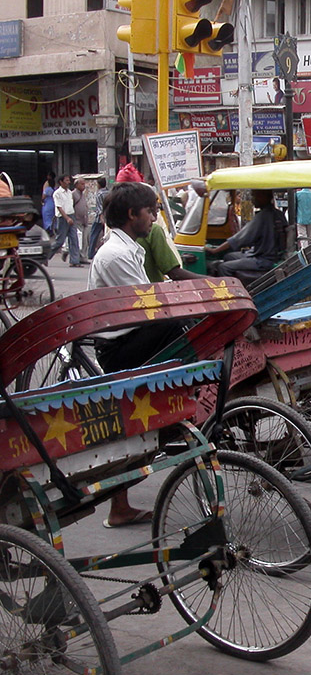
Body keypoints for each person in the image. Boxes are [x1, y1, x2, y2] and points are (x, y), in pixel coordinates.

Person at [89, 182, 183, 527]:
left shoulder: (129, 248)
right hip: (118, 348)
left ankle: (121, 507)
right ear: (133, 215)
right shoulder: (116, 254)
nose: (155, 218)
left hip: (132, 337)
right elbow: (151, 307)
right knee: (183, 327)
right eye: (151, 211)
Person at [205, 188, 287, 282]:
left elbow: (240, 238)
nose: (252, 199)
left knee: (223, 267)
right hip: (270, 255)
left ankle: (233, 293)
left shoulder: (262, 217)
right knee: (229, 256)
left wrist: (215, 250)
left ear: (265, 196)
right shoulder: (279, 214)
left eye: (255, 196)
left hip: (264, 260)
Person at [51, 174, 82, 267]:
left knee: (74, 239)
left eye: (69, 180)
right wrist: (67, 218)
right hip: (62, 218)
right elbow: (59, 207)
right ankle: (46, 256)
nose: (68, 182)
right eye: (67, 180)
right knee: (59, 241)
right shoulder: (57, 193)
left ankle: (75, 261)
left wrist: (72, 217)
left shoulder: (69, 192)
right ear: (61, 182)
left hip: (71, 215)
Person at [87, 176, 109, 259]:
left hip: (99, 218)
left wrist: (101, 218)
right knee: (106, 235)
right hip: (108, 217)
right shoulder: (109, 192)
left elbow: (99, 208)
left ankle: (91, 253)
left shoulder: (99, 194)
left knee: (94, 235)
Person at [72, 176, 90, 264]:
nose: (84, 186)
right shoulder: (73, 194)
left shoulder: (82, 194)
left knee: (85, 241)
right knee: (79, 240)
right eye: (82, 184)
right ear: (76, 185)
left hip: (84, 221)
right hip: (77, 220)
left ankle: (83, 257)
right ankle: (77, 257)